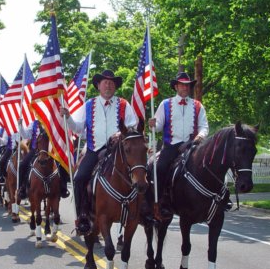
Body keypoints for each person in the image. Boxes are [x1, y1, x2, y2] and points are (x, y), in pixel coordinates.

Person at [61, 69, 138, 235]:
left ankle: (142, 210)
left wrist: (122, 133)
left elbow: (134, 125)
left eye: (111, 83)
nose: (108, 85)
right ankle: (83, 215)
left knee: (139, 174)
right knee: (79, 178)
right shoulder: (88, 105)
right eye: (105, 82)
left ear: (115, 86)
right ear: (98, 85)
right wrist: (68, 117)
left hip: (118, 151)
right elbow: (77, 127)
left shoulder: (124, 105)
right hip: (94, 149)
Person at [147, 72, 209, 220]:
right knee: (160, 168)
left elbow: (204, 126)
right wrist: (153, 125)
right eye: (182, 85)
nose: (185, 87)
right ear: (176, 87)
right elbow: (159, 126)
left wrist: (200, 135)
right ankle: (160, 202)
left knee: (209, 166)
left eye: (187, 85)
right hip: (171, 146)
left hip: (192, 145)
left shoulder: (198, 105)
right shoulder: (165, 104)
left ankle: (217, 197)